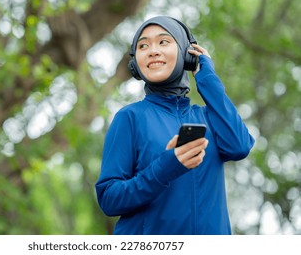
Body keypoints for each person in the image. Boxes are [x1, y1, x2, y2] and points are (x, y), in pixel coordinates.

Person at [95, 16, 255, 235]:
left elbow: (239, 147)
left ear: (187, 55)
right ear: (135, 64)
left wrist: (207, 76)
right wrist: (166, 166)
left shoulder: (210, 117)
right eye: (143, 45)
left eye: (163, 42)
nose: (152, 51)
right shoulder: (129, 117)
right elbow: (109, 199)